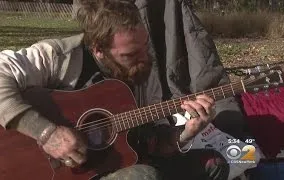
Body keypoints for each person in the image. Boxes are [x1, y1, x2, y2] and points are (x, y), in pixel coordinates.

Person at [0, 0, 248, 179]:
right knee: (144, 176)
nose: (145, 59)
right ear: (98, 49)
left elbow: (155, 144)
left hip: (121, 162)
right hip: (69, 171)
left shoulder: (143, 68)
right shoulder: (57, 56)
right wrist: (46, 134)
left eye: (145, 46)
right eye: (131, 54)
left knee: (213, 164)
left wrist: (186, 133)